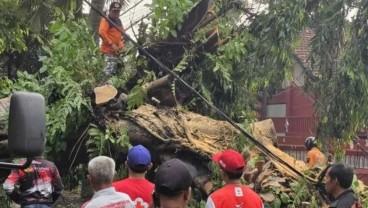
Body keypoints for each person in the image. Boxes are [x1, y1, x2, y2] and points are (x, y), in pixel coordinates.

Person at [99, 1, 125, 76]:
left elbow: (122, 33)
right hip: (108, 53)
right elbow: (101, 32)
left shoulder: (118, 21)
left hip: (116, 53)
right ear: (110, 11)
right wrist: (111, 43)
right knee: (108, 74)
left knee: (119, 72)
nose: (116, 13)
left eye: (118, 11)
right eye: (114, 11)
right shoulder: (106, 20)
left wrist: (122, 43)